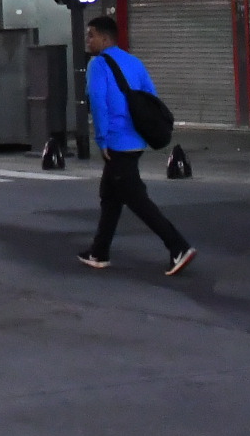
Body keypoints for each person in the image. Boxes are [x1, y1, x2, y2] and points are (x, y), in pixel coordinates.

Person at [77, 16, 194, 275]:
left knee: (137, 199)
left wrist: (102, 139)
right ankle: (99, 252)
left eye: (91, 35)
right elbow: (151, 97)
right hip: (136, 139)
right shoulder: (134, 62)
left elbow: (97, 102)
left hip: (117, 141)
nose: (88, 40)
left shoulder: (98, 64)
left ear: (105, 38)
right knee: (110, 197)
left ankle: (178, 246)